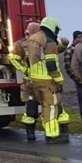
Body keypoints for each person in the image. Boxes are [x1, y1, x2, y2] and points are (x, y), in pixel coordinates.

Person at [25, 16, 68, 144]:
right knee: (51, 107)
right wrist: (59, 80)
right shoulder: (49, 41)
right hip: (47, 81)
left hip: (35, 79)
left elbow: (34, 58)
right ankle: (52, 135)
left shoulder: (33, 39)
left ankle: (45, 132)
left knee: (43, 107)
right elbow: (51, 63)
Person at [9, 21, 41, 140]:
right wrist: (26, 70)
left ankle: (51, 132)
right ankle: (30, 133)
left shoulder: (42, 43)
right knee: (31, 109)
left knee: (48, 107)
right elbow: (13, 59)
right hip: (29, 82)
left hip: (43, 81)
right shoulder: (20, 44)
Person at [63, 30, 82, 128]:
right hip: (80, 82)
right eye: (80, 37)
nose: (81, 40)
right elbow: (68, 68)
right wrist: (79, 80)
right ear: (76, 38)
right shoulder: (70, 51)